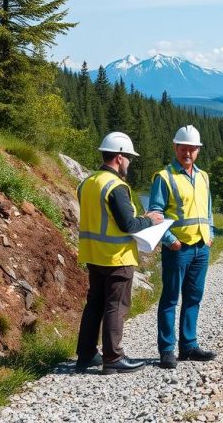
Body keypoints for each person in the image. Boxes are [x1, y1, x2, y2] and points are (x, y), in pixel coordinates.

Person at [75, 132, 164, 374]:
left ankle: (85, 355)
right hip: (116, 256)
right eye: (129, 158)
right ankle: (113, 357)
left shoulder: (87, 183)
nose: (130, 164)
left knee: (94, 304)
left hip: (93, 255)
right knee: (116, 305)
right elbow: (129, 225)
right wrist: (150, 220)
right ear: (119, 157)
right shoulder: (116, 186)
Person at [150, 125, 217, 369]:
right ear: (176, 148)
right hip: (178, 249)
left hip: (201, 246)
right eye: (183, 148)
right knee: (170, 299)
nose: (187, 153)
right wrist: (170, 241)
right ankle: (167, 349)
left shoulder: (203, 176)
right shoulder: (164, 177)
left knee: (194, 298)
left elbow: (208, 209)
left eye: (192, 149)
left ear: (198, 150)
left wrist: (210, 233)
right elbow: (154, 214)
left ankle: (188, 346)